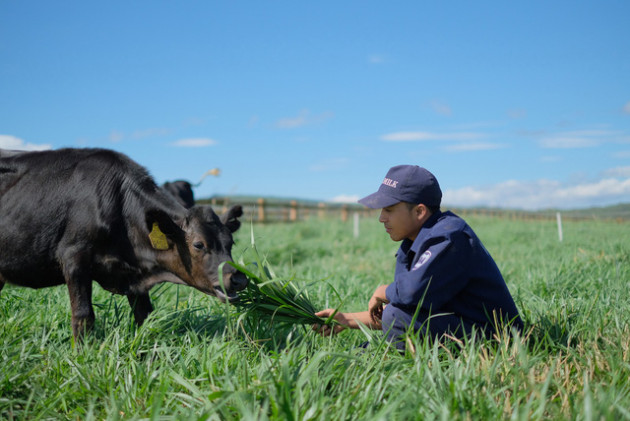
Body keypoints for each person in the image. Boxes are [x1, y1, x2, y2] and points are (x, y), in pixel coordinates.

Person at [314, 165, 523, 349]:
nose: (381, 218)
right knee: (394, 319)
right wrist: (346, 320)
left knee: (396, 319)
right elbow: (410, 306)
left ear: (419, 211)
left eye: (389, 209)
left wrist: (382, 291)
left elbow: (409, 296)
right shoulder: (414, 242)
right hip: (465, 326)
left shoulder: (449, 237)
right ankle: (370, 354)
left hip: (497, 338)